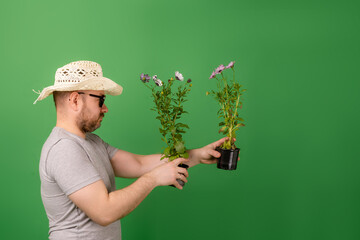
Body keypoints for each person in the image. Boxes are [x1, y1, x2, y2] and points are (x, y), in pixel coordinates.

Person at [34, 60, 231, 240]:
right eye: (100, 100)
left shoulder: (92, 142)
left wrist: (197, 155)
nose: (105, 109)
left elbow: (139, 164)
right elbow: (104, 211)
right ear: (75, 100)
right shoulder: (63, 149)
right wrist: (153, 178)